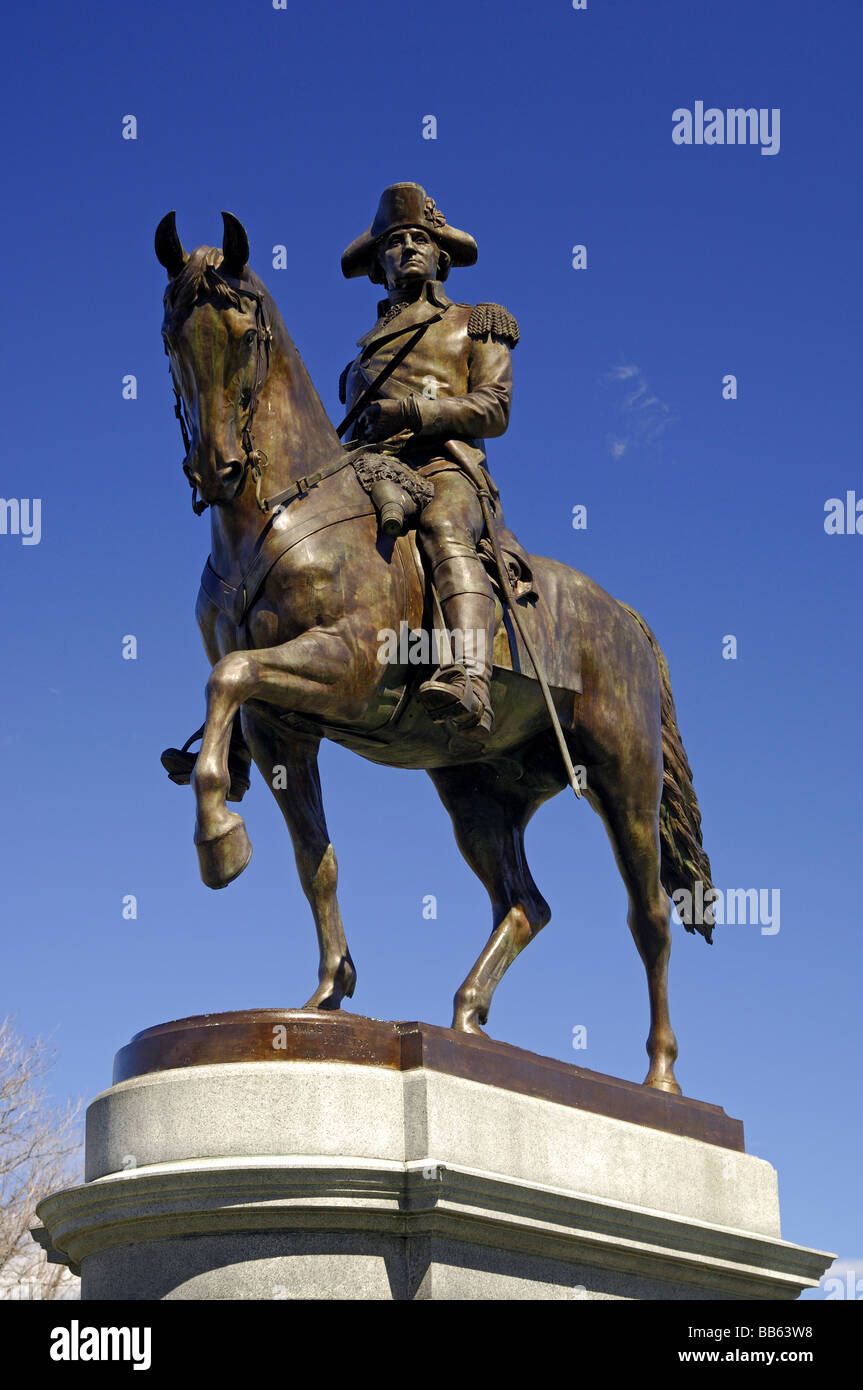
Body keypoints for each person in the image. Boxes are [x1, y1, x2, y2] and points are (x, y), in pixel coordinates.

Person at [339, 183, 519, 742]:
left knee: (443, 525)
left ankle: (469, 676)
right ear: (378, 263)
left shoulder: (476, 321)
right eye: (395, 241)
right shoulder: (360, 357)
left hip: (446, 469)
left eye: (421, 238)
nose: (410, 247)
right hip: (373, 474)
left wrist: (413, 410)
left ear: (441, 255)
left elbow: (494, 408)